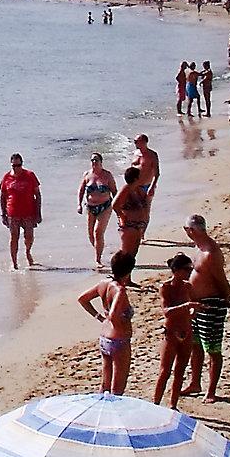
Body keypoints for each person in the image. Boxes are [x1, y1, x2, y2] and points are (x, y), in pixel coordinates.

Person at [180, 215, 230, 401]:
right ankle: (195, 383)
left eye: (186, 230)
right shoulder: (198, 248)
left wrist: (226, 298)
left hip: (211, 304)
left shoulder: (211, 253)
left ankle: (211, 391)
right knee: (196, 345)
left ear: (191, 230)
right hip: (197, 305)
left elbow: (221, 279)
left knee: (212, 348)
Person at [80, 252, 136, 394]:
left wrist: (99, 317)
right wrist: (120, 325)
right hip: (119, 339)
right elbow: (113, 315)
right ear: (129, 270)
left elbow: (83, 299)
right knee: (117, 389)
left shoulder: (103, 284)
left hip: (105, 337)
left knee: (105, 385)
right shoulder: (120, 290)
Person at [152, 254, 195, 406]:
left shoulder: (188, 287)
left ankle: (173, 405)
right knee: (165, 371)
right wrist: (186, 307)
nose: (189, 272)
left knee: (180, 371)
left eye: (191, 269)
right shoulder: (165, 287)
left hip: (187, 331)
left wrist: (193, 311)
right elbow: (166, 311)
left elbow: (193, 306)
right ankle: (156, 404)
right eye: (186, 269)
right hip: (171, 333)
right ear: (176, 270)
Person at [0, 153, 42, 270]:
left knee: (29, 237)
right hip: (12, 214)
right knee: (14, 237)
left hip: (28, 212)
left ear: (22, 164)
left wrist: (38, 213)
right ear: (11, 165)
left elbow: (37, 194)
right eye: (14, 165)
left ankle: (28, 252)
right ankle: (14, 263)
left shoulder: (30, 175)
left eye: (19, 165)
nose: (16, 168)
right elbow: (2, 196)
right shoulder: (6, 178)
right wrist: (3, 214)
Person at [80, 154, 117, 266]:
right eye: (92, 160)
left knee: (98, 232)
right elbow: (81, 190)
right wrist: (79, 204)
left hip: (105, 206)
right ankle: (99, 249)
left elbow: (114, 191)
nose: (94, 162)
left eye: (96, 160)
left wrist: (118, 207)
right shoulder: (87, 175)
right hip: (90, 207)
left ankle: (98, 259)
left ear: (101, 162)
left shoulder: (107, 175)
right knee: (91, 235)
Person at [112, 166, 151, 259]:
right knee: (126, 254)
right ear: (135, 178)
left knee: (133, 254)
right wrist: (121, 216)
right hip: (128, 225)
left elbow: (145, 203)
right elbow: (114, 204)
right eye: (140, 176)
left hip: (138, 225)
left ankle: (128, 272)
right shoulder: (126, 189)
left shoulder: (138, 189)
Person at [133, 133, 159, 200]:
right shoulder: (136, 153)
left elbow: (157, 173)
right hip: (134, 185)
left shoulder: (152, 155)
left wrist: (152, 187)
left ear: (144, 142)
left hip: (146, 186)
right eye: (134, 141)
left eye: (136, 141)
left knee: (145, 208)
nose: (135, 143)